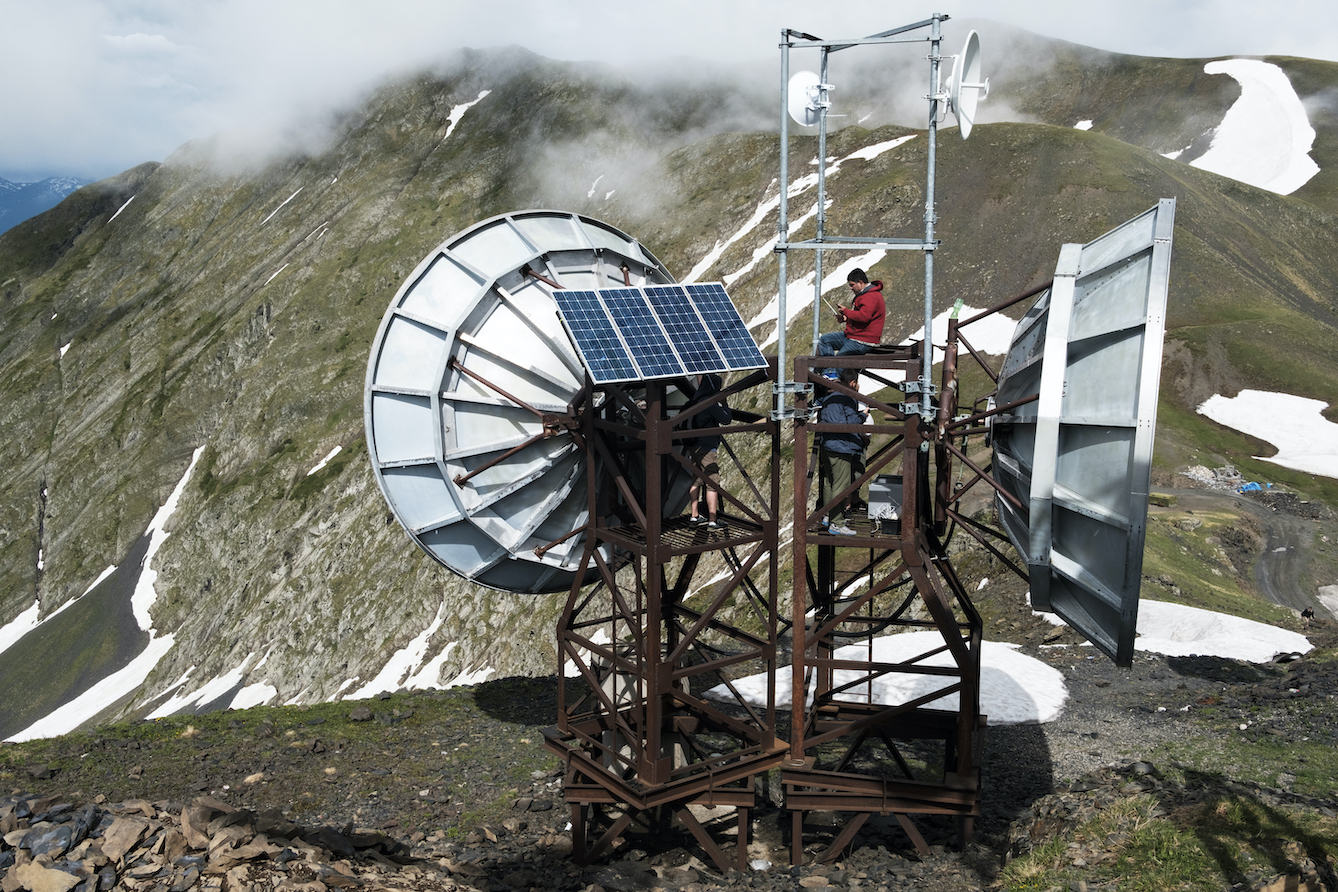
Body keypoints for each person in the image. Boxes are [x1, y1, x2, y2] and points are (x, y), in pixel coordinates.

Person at [816, 367, 867, 537]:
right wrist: (864, 415)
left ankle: (827, 516)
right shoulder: (847, 397)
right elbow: (852, 423)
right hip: (841, 446)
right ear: (853, 383)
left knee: (829, 483)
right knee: (841, 485)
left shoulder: (829, 396)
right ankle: (836, 523)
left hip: (828, 444)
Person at [683, 372, 731, 531]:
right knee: (712, 481)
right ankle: (712, 519)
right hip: (707, 448)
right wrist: (724, 404)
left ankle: (694, 515)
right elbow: (726, 419)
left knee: (696, 480)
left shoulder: (692, 403)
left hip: (693, 446)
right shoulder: (708, 403)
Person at [817, 268, 885, 377]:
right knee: (825, 340)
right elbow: (862, 317)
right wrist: (845, 318)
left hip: (862, 340)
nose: (850, 288)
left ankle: (833, 378)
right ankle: (830, 373)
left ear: (861, 283)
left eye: (852, 285)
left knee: (839, 360)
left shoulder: (870, 296)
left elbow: (864, 317)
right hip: (854, 336)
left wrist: (846, 312)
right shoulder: (866, 295)